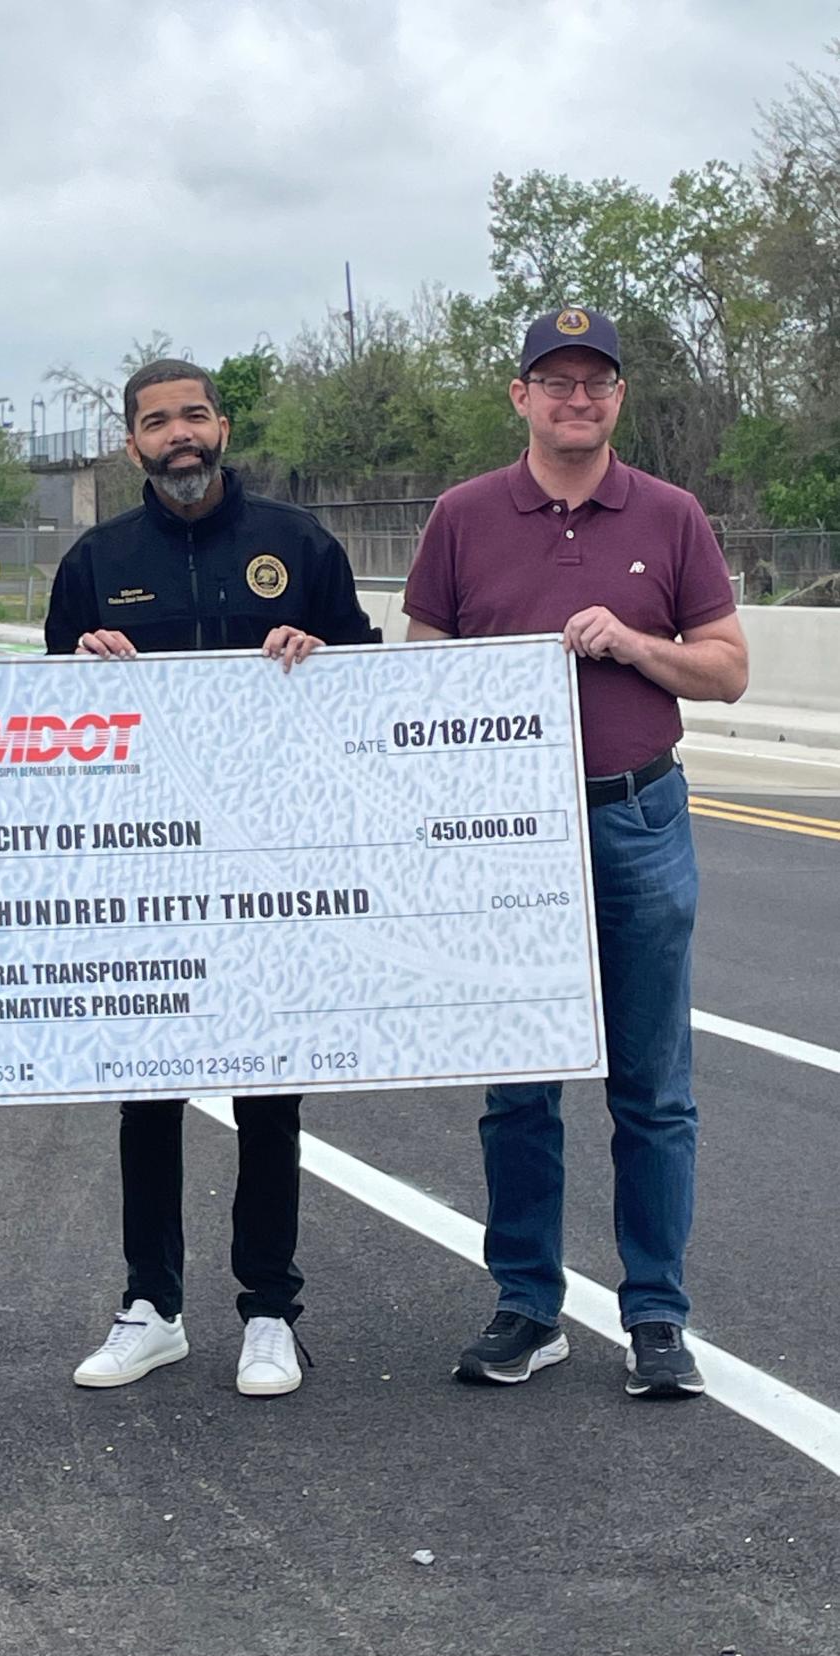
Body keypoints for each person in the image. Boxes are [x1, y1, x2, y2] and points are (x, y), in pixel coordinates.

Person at [404, 308, 748, 1399]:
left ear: (618, 398)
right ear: (520, 398)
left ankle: (656, 1314)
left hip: (636, 817)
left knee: (653, 1088)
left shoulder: (671, 514)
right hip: (512, 836)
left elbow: (728, 669)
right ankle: (526, 1304)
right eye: (554, 382)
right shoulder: (461, 518)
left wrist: (635, 644)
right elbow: (423, 666)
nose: (576, 400)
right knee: (519, 1088)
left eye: (594, 382)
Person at [45, 358, 379, 1397]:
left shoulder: (298, 544)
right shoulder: (97, 561)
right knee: (147, 1097)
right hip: (147, 868)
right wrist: (78, 673)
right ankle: (153, 1305)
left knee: (267, 1094)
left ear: (223, 426)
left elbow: (369, 686)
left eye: (194, 415)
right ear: (132, 441)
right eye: (157, 421)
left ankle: (270, 1309)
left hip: (269, 862)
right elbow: (47, 722)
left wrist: (319, 653)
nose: (179, 434)